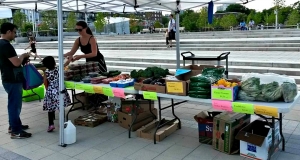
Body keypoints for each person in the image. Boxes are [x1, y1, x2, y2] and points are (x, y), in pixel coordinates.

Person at [64, 21, 108, 108]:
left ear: (85, 28)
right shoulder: (78, 40)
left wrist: (80, 56)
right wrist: (63, 55)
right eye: (76, 30)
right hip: (89, 62)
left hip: (98, 61)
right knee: (92, 81)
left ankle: (102, 104)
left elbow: (94, 53)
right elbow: (71, 52)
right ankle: (94, 104)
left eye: (80, 29)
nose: (78, 32)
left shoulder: (92, 38)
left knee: (100, 81)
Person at [0, 22, 32, 139]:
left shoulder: (1, 43)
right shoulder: (6, 45)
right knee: (14, 105)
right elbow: (16, 62)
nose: (15, 35)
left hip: (7, 78)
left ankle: (14, 125)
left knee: (13, 104)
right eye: (14, 32)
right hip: (12, 79)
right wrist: (23, 56)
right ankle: (16, 131)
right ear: (8, 32)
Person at [41, 56, 71, 132]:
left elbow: (45, 82)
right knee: (61, 107)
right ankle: (62, 123)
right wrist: (69, 58)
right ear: (54, 63)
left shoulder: (46, 72)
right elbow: (66, 63)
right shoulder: (58, 69)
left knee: (51, 109)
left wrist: (48, 89)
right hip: (60, 90)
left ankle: (51, 124)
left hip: (51, 91)